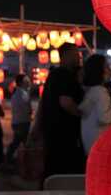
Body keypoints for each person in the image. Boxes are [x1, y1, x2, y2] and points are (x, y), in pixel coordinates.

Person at [40, 43, 86, 178]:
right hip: (65, 135)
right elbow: (66, 102)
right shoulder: (64, 75)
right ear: (66, 56)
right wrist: (83, 114)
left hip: (52, 133)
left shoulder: (53, 75)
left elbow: (43, 104)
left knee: (53, 171)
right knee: (66, 173)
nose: (79, 57)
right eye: (76, 54)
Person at [79, 54, 111, 155]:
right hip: (101, 146)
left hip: (90, 146)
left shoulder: (90, 91)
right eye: (107, 66)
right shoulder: (100, 91)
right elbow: (105, 118)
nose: (110, 70)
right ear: (99, 71)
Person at [7, 74, 33, 162]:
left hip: (19, 122)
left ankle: (9, 160)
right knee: (23, 143)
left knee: (18, 142)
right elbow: (26, 110)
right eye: (27, 80)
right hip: (21, 123)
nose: (29, 82)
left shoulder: (20, 93)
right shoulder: (21, 94)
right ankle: (8, 161)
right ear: (22, 82)